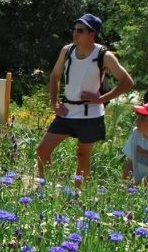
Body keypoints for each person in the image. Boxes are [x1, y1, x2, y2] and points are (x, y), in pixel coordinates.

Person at [35, 14, 134, 184]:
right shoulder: (67, 51)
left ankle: (77, 194)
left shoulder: (104, 55)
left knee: (82, 156)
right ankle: (45, 186)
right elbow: (54, 76)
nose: (75, 34)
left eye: (80, 31)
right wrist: (54, 103)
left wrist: (101, 99)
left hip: (90, 115)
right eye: (74, 30)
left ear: (92, 34)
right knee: (42, 150)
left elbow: (127, 82)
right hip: (67, 112)